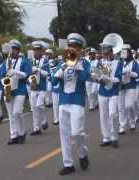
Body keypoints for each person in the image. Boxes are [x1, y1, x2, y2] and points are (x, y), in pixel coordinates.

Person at [52, 33, 90, 175]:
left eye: (76, 47)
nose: (72, 49)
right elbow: (54, 81)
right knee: (65, 134)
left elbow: (84, 78)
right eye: (70, 46)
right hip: (63, 101)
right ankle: (68, 164)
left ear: (80, 49)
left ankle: (82, 153)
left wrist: (77, 64)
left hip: (77, 102)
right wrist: (62, 69)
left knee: (77, 132)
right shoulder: (62, 63)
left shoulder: (85, 63)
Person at [0, 39, 32, 145]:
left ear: (19, 50)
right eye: (12, 49)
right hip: (8, 89)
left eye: (16, 49)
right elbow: (1, 75)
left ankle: (22, 133)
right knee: (11, 114)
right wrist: (5, 83)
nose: (13, 51)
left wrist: (15, 72)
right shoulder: (5, 62)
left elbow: (27, 74)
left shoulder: (24, 61)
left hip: (20, 90)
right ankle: (14, 135)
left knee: (17, 112)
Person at [94, 38, 123, 148]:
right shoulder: (101, 62)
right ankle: (106, 138)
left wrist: (109, 80)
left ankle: (114, 137)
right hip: (102, 91)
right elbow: (96, 74)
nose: (103, 53)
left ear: (111, 51)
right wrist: (98, 79)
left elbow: (119, 78)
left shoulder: (118, 63)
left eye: (105, 50)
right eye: (103, 50)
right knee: (103, 116)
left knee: (113, 114)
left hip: (113, 92)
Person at [29, 41, 50, 136]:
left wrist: (38, 69)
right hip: (33, 88)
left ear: (41, 52)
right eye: (35, 50)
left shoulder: (45, 61)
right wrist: (31, 82)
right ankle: (36, 128)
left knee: (39, 106)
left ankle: (44, 120)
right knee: (34, 108)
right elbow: (28, 74)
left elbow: (47, 74)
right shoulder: (30, 61)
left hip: (42, 88)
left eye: (38, 50)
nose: (36, 52)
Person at [118, 44, 139, 134]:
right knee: (121, 107)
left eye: (126, 51)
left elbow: (137, 75)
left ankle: (132, 121)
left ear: (130, 53)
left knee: (129, 105)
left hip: (131, 86)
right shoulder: (119, 62)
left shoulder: (134, 63)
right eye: (123, 51)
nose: (125, 53)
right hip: (120, 87)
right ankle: (122, 126)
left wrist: (129, 72)